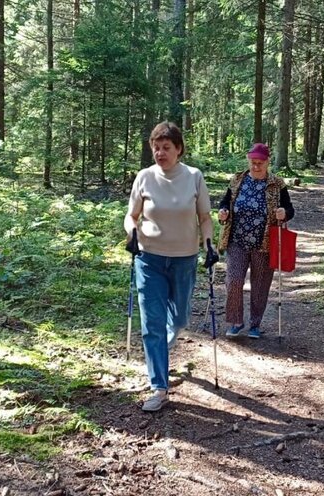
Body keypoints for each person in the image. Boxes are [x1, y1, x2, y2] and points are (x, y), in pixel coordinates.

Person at [125, 121, 217, 412]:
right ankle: (159, 386)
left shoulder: (194, 177)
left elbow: (204, 217)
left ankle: (161, 352)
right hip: (149, 258)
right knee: (152, 324)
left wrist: (209, 244)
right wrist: (132, 233)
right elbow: (132, 215)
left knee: (178, 320)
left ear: (178, 149)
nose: (160, 153)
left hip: (184, 259)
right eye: (156, 147)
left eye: (166, 147)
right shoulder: (144, 177)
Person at [217, 143, 295, 339]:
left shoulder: (277, 184)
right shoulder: (237, 180)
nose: (256, 166)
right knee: (233, 281)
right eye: (253, 162)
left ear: (268, 162)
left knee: (260, 285)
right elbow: (225, 202)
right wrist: (223, 211)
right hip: (237, 240)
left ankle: (254, 324)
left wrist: (284, 213)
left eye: (260, 163)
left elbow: (289, 209)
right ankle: (236, 321)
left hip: (265, 243)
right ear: (248, 160)